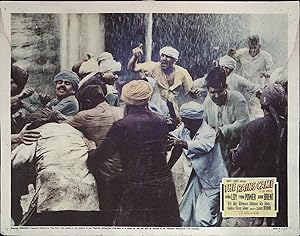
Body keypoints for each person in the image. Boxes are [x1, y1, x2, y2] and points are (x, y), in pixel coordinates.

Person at [88, 80, 180, 226]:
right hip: (163, 184)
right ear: (148, 99)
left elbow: (100, 156)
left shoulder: (121, 126)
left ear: (125, 101)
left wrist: (91, 148)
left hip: (137, 186)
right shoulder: (160, 120)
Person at [11, 109, 100, 226]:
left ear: (30, 126)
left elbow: (13, 161)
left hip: (54, 195)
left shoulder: (35, 134)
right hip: (88, 197)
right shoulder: (75, 132)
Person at [65, 81, 124, 225]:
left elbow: (62, 128)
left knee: (105, 215)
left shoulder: (84, 116)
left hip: (104, 174)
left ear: (87, 101)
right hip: (127, 170)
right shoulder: (122, 111)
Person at [231, 83, 287, 227]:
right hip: (280, 185)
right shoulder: (285, 125)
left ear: (263, 104)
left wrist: (234, 153)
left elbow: (242, 158)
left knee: (257, 223)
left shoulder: (255, 126)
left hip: (257, 184)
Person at [168, 101, 228, 227]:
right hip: (196, 178)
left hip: (212, 181)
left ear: (195, 120)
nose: (184, 124)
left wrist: (182, 143)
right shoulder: (185, 128)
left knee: (203, 219)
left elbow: (203, 146)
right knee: (184, 215)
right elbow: (173, 136)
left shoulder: (209, 132)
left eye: (186, 121)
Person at [127, 44, 200, 125]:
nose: (163, 59)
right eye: (162, 56)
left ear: (174, 60)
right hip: (154, 110)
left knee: (173, 129)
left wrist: (194, 93)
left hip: (173, 111)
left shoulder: (182, 72)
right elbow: (132, 68)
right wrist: (135, 57)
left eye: (168, 57)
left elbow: (191, 92)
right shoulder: (152, 66)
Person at [203, 67, 250, 174]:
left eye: (220, 92)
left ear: (226, 87)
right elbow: (203, 121)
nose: (216, 96)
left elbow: (244, 123)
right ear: (208, 90)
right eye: (212, 92)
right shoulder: (207, 101)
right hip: (216, 151)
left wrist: (223, 130)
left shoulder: (238, 99)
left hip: (236, 151)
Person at [218, 55, 263, 120]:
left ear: (231, 69)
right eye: (222, 67)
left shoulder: (237, 79)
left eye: (226, 68)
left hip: (234, 106)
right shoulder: (216, 77)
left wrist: (260, 90)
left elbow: (252, 86)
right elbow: (204, 81)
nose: (223, 69)